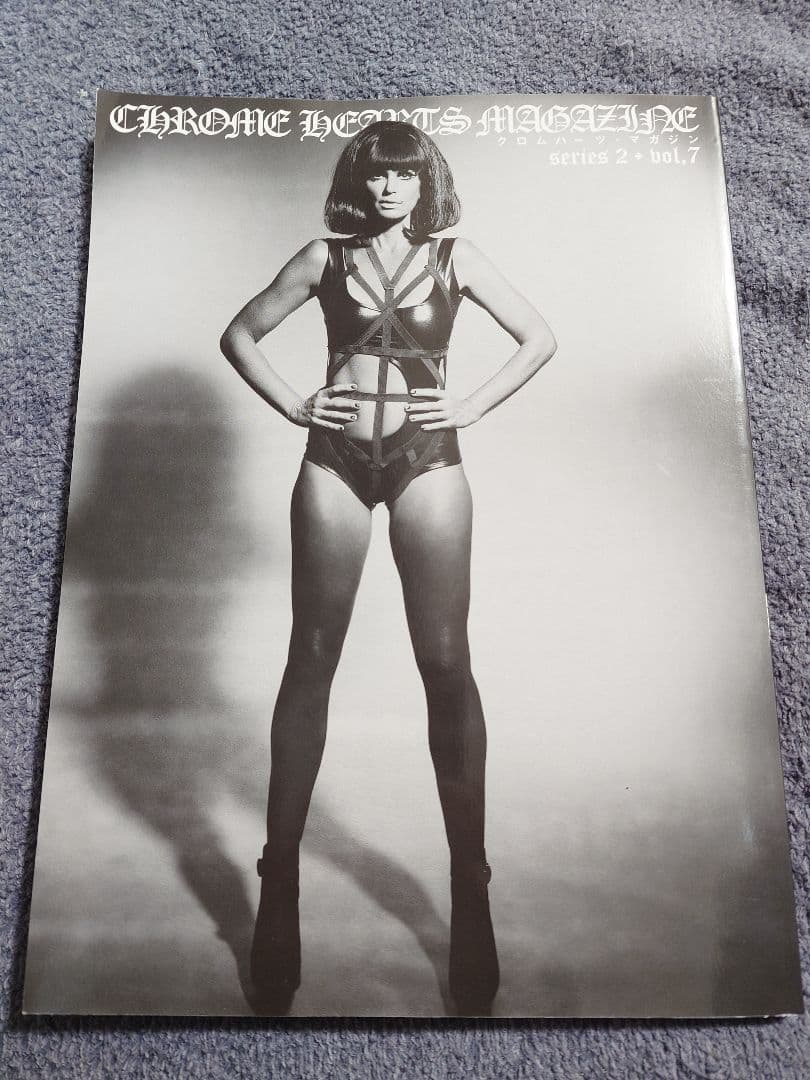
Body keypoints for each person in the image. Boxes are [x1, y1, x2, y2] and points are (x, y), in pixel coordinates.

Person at [220, 119, 557, 1015]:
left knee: (445, 664)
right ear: (356, 182)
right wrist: (295, 404)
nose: (388, 189)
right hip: (333, 463)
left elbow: (539, 337)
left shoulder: (456, 257)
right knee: (311, 658)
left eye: (404, 175)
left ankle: (470, 893)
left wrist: (471, 405)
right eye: (375, 175)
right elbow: (240, 334)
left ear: (424, 183)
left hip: (428, 462)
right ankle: (280, 885)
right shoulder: (322, 258)